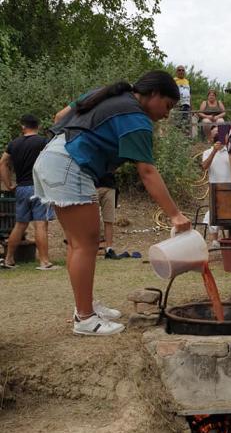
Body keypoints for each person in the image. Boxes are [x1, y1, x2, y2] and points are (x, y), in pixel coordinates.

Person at [33, 71, 191, 336]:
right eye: (168, 106)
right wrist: (175, 215)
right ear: (153, 94)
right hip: (70, 163)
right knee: (87, 243)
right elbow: (148, 172)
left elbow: (60, 117)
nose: (167, 114)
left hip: (53, 156)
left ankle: (85, 306)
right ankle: (85, 318)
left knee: (77, 243)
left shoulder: (109, 94)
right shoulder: (136, 118)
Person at [0, 114, 56, 270]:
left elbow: (2, 163)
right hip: (39, 187)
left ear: (22, 127)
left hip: (22, 188)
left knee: (20, 225)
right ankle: (44, 262)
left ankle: (9, 259)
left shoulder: (13, 144)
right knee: (40, 224)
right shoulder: (43, 142)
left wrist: (9, 184)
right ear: (37, 126)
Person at [201, 125, 231, 248]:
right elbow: (204, 166)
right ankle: (215, 240)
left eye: (219, 135)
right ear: (211, 138)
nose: (217, 137)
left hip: (230, 188)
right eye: (215, 135)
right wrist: (214, 151)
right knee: (212, 213)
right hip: (215, 189)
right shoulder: (207, 152)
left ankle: (230, 239)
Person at [97, 172, 118, 259]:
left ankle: (109, 249)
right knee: (91, 218)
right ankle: (91, 247)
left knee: (109, 219)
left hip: (109, 185)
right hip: (92, 186)